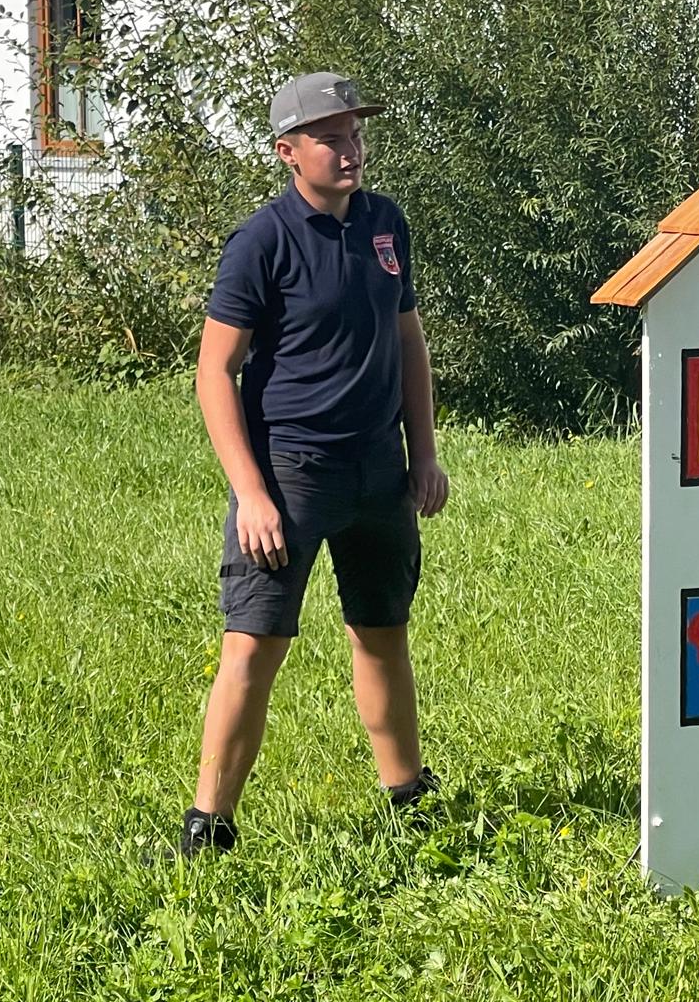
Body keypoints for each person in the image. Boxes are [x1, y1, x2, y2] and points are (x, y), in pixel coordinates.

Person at [176, 72, 449, 859]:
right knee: (253, 646)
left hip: (378, 472)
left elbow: (408, 342)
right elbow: (214, 372)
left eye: (355, 134)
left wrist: (423, 453)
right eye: (330, 138)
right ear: (287, 152)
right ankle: (208, 828)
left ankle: (409, 800)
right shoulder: (261, 241)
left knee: (382, 633)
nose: (349, 149)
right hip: (290, 475)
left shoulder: (385, 224)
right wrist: (252, 493)